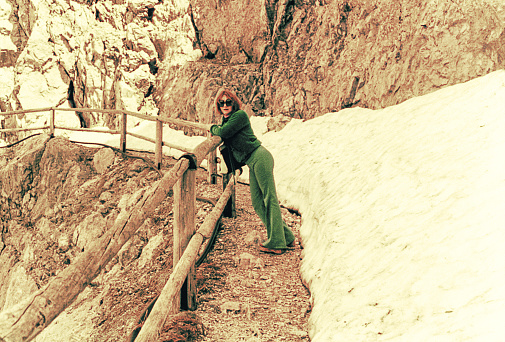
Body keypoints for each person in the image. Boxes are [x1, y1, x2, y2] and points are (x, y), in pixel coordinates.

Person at [208, 88, 295, 254]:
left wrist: (212, 128)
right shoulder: (227, 119)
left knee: (269, 198)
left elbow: (223, 133)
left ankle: (276, 242)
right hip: (252, 161)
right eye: (222, 102)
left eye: (228, 102)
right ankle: (287, 236)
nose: (225, 105)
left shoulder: (239, 116)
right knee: (257, 202)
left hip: (260, 157)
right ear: (218, 105)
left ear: (234, 103)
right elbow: (224, 130)